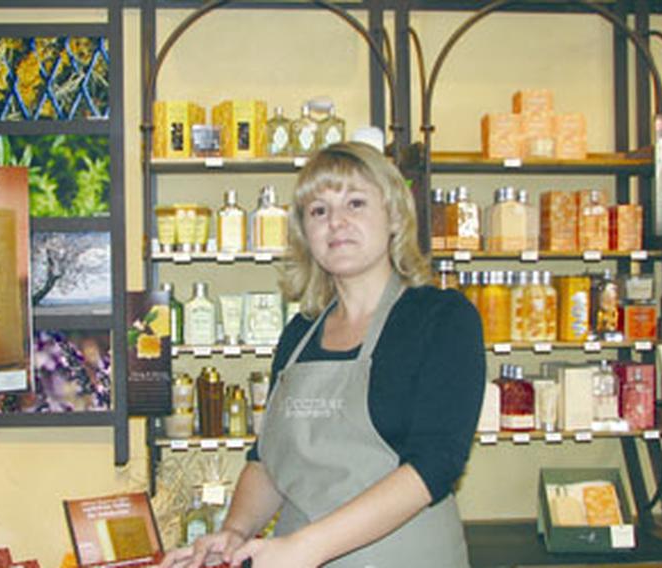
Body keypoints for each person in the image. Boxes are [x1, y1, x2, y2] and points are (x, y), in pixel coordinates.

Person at [160, 141, 485, 568]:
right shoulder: (298, 335)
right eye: (319, 211)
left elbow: (435, 465)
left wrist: (306, 547)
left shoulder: (441, 319)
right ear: (305, 234)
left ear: (393, 217)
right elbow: (268, 463)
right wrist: (234, 533)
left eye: (355, 203)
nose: (336, 222)